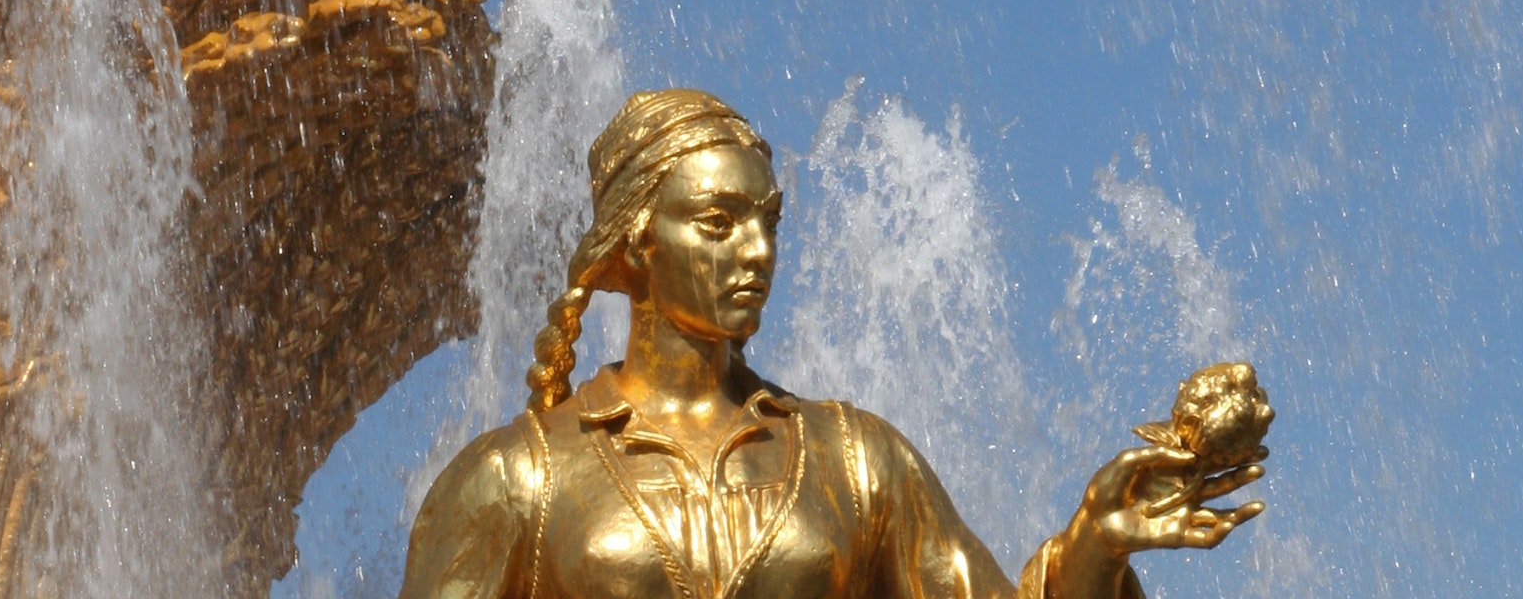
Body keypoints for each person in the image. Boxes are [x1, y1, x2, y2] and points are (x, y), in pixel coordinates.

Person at [398, 89, 1265, 598]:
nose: (757, 252)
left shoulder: (855, 460)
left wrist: (1094, 547)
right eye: (717, 222)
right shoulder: (516, 480)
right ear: (634, 247)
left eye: (768, 223)